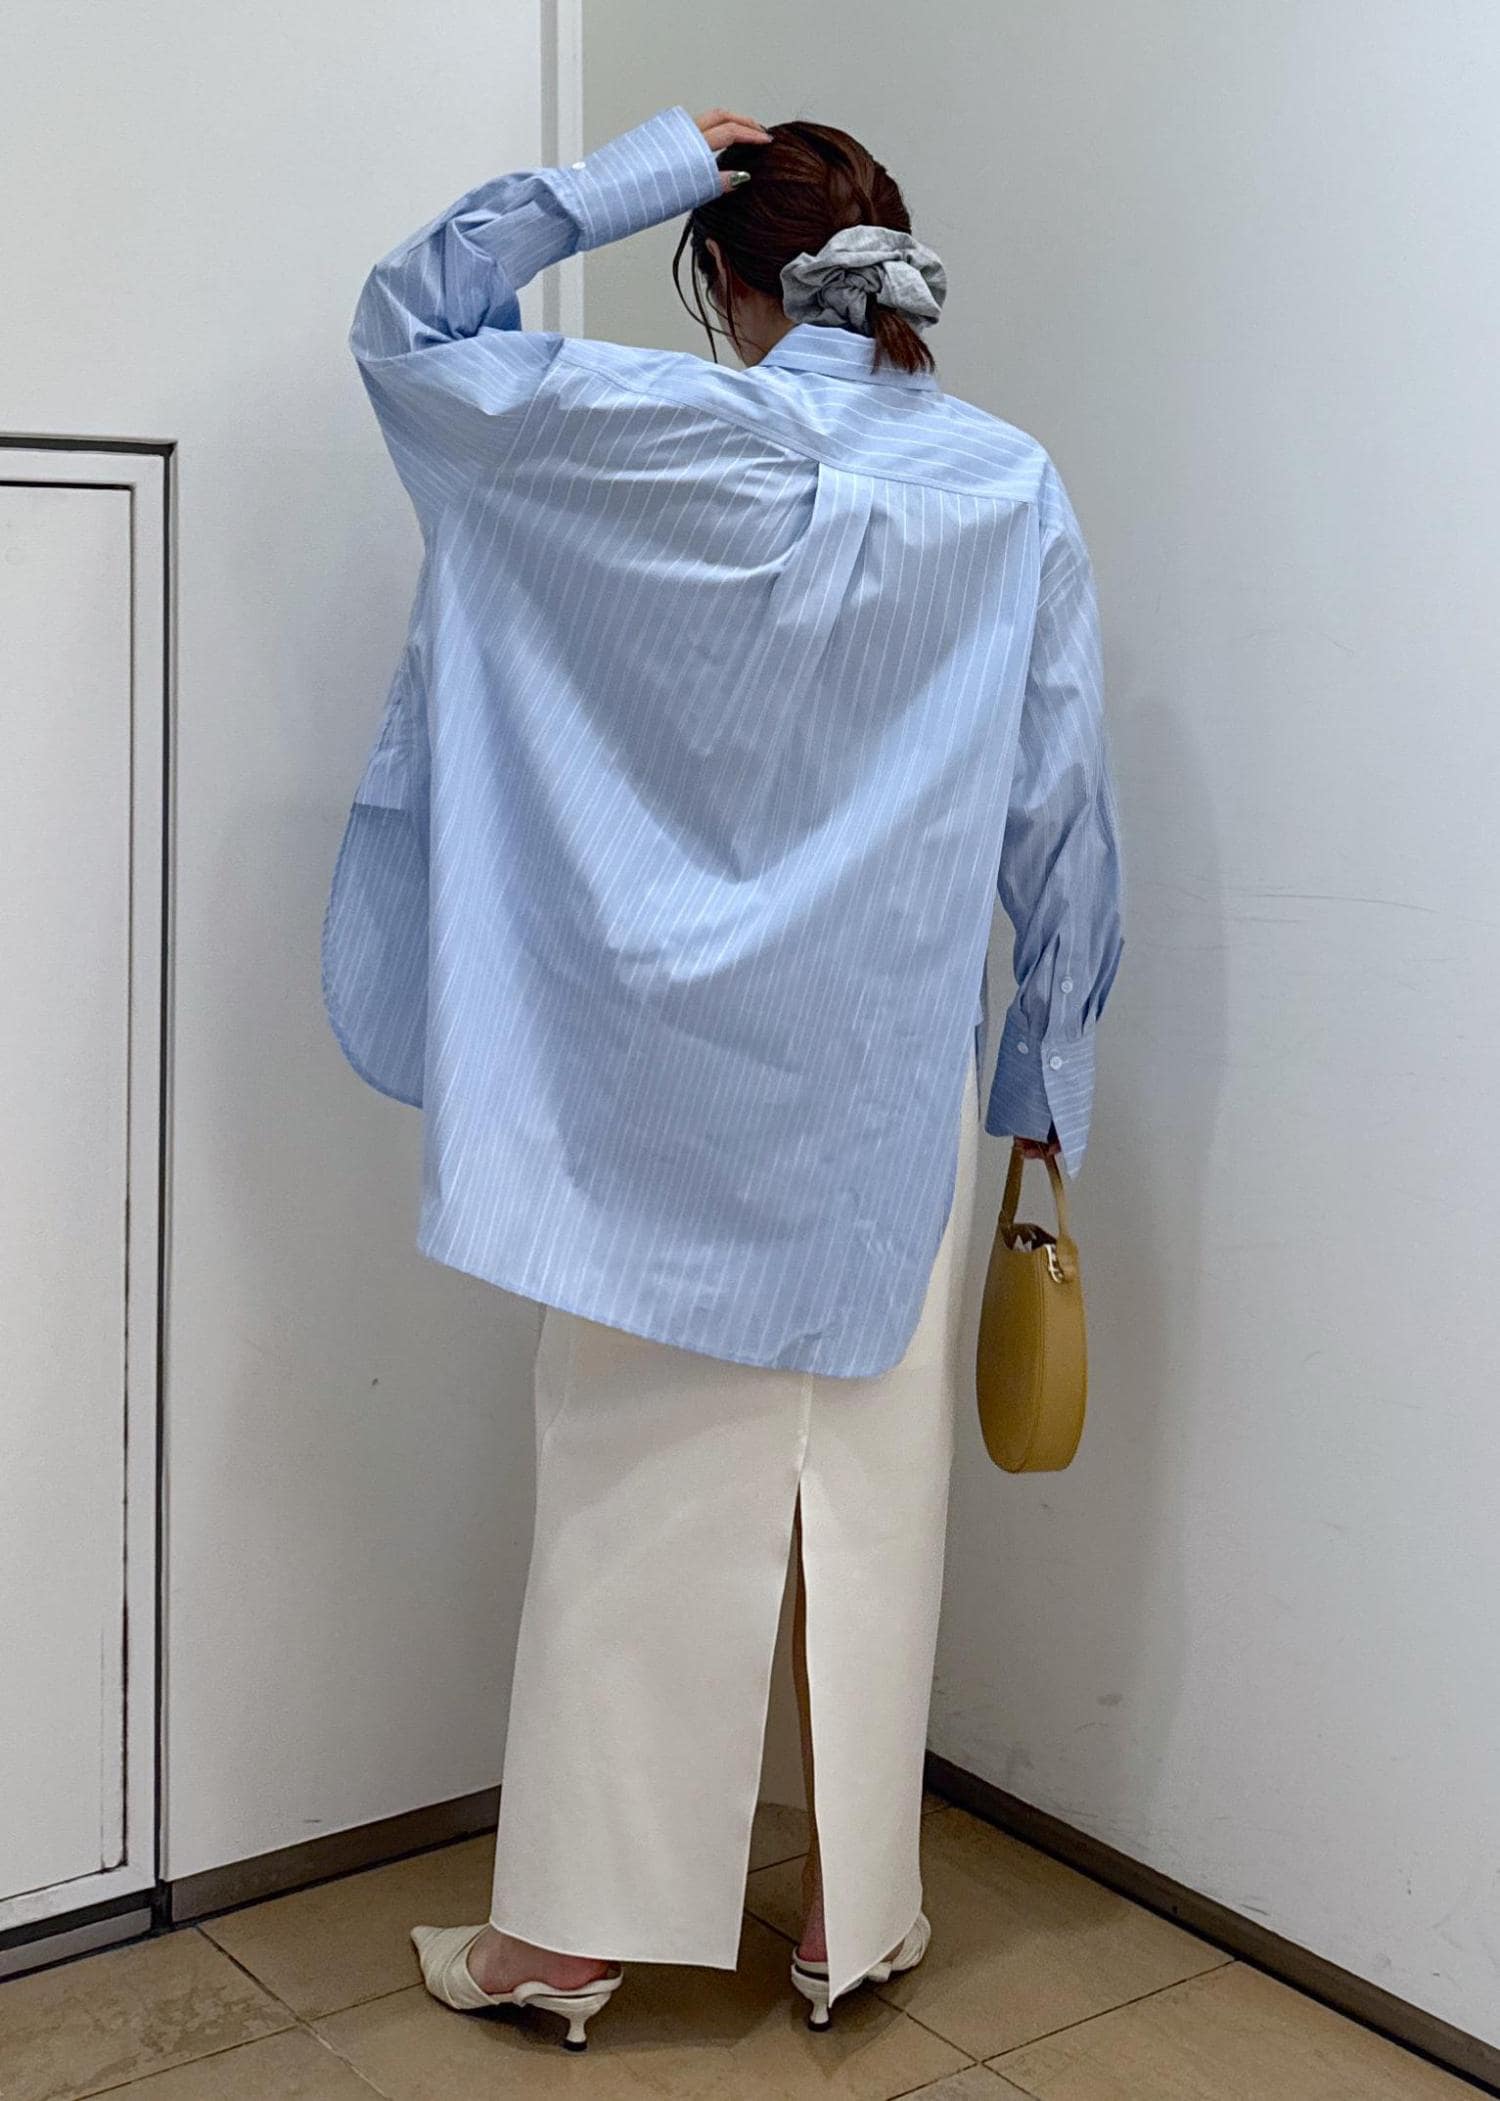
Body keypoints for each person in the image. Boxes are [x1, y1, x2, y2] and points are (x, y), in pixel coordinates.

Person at [323, 103, 1125, 2050]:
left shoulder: (633, 434)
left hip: (654, 1092)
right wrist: (1047, 1068)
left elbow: (407, 326)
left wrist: (644, 161)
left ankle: (566, 1942)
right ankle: (853, 1918)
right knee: (874, 1497)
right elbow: (1062, 808)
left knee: (631, 1496)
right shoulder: (1006, 485)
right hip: (884, 1091)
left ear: (724, 276)